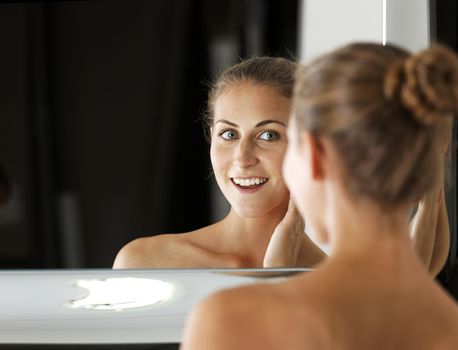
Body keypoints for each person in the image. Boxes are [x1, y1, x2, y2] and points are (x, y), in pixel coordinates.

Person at [182, 43, 458, 349]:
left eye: (274, 136)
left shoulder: (231, 320)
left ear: (312, 155)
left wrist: (274, 283)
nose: (243, 157)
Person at [113, 56, 326, 269]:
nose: (242, 159)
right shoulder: (142, 263)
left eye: (268, 135)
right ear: (211, 136)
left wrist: (280, 271)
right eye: (229, 134)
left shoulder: (336, 283)